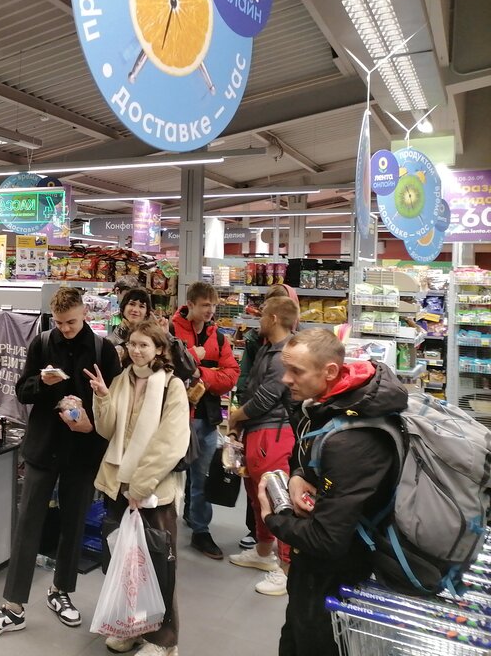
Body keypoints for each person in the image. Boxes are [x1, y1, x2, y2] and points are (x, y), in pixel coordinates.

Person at [0, 286, 121, 639]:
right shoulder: (42, 344)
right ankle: (13, 605)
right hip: (43, 446)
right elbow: (22, 391)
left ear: (84, 313)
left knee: (73, 522)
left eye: (70, 322)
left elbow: (117, 404)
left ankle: (61, 591)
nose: (65, 329)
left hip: (83, 450)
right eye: (59, 323)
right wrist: (41, 381)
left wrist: (93, 415)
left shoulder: (103, 350)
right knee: (28, 523)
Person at [262, 329, 406, 656]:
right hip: (315, 574)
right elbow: (308, 454)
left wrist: (274, 514)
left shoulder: (353, 441)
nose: (285, 379)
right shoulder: (334, 405)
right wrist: (298, 476)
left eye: (296, 371)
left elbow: (327, 541)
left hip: (338, 579)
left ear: (329, 372)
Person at [86, 321, 190, 656]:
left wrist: (141, 486)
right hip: (117, 484)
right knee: (126, 563)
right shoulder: (120, 380)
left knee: (159, 564)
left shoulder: (172, 387)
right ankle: (131, 628)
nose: (136, 350)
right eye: (132, 344)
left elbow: (170, 444)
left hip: (154, 492)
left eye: (144, 345)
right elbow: (106, 431)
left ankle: (163, 641)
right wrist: (102, 397)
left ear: (159, 349)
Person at [226, 297, 300, 597]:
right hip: (260, 432)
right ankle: (262, 552)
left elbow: (266, 397)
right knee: (259, 499)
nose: (258, 320)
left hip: (275, 433)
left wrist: (237, 416)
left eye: (261, 315)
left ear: (271, 318)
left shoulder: (284, 355)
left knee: (278, 499)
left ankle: (285, 570)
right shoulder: (269, 349)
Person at [171, 281, 239, 560]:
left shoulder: (218, 338)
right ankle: (159, 526)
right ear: (191, 304)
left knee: (202, 477)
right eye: (205, 305)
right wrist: (202, 367)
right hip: (175, 419)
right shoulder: (171, 332)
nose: (211, 310)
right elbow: (166, 369)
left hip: (206, 418)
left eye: (213, 305)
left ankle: (200, 530)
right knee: (170, 474)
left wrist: (199, 373)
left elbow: (231, 375)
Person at [106, 287, 151, 366]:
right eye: (132, 304)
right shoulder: (111, 342)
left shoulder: (152, 337)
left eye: (141, 306)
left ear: (146, 313)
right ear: (123, 308)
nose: (135, 310)